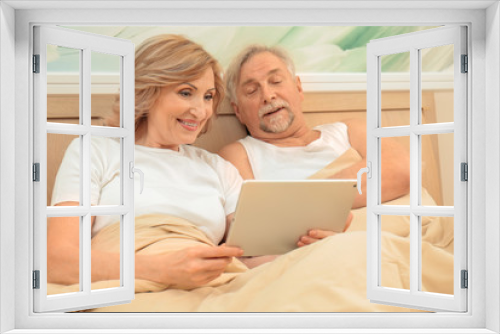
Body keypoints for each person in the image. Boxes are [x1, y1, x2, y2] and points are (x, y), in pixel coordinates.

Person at [48, 34, 248, 289]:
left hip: (213, 288)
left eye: (208, 97)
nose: (201, 111)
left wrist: (306, 249)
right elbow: (57, 261)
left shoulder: (219, 169)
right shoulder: (96, 149)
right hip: (132, 287)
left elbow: (253, 255)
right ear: (146, 92)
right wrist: (162, 269)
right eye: (186, 93)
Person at [218, 45, 410, 245]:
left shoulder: (351, 130)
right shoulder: (238, 155)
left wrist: (301, 210)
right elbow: (250, 226)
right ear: (238, 110)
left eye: (275, 81)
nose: (268, 95)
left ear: (298, 88)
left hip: (397, 238)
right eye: (251, 91)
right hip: (319, 252)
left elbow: (401, 169)